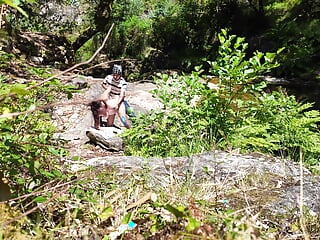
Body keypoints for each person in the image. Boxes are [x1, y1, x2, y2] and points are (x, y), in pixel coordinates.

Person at [93, 64, 132, 129]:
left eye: (117, 75)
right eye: (114, 75)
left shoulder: (123, 82)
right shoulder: (109, 78)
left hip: (118, 99)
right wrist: (108, 89)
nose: (115, 76)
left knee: (123, 119)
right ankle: (100, 124)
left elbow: (121, 95)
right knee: (109, 124)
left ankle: (131, 130)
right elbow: (103, 84)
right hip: (111, 98)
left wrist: (117, 104)